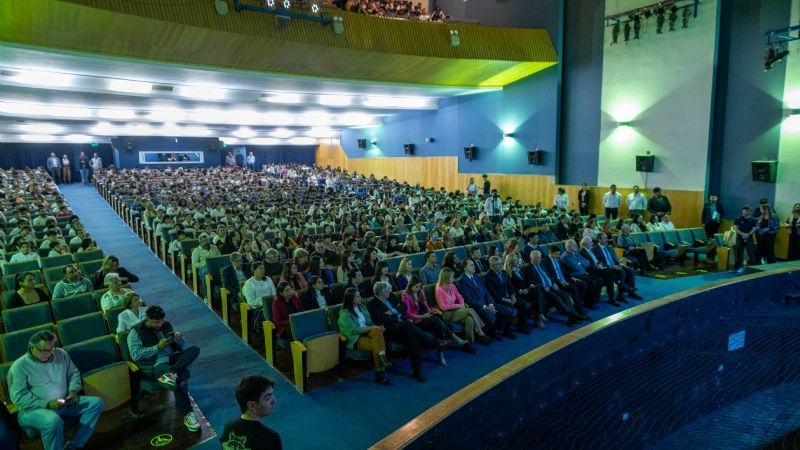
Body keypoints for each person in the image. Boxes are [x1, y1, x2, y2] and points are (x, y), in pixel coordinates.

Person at [9, 330, 104, 450]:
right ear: (32, 347)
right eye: (43, 350)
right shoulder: (19, 366)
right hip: (33, 409)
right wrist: (47, 404)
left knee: (96, 404)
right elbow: (18, 397)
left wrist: (73, 392)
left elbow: (73, 373)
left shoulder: (60, 353)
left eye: (51, 349)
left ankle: (74, 445)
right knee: (52, 422)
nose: (48, 354)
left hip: (63, 402)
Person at [128, 305, 201, 432]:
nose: (159, 324)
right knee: (180, 381)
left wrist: (178, 339)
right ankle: (188, 414)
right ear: (147, 319)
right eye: (156, 322)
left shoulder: (166, 325)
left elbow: (179, 346)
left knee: (194, 349)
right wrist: (157, 347)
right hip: (155, 363)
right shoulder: (135, 332)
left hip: (171, 358)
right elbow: (135, 355)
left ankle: (171, 372)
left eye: (161, 321)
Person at [368, 281, 441, 383]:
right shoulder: (373, 304)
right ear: (381, 293)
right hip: (388, 330)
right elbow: (383, 320)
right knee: (406, 324)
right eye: (387, 290)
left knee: (413, 342)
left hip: (400, 326)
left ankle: (417, 372)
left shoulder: (391, 296)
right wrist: (396, 313)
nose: (389, 291)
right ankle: (430, 341)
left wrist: (392, 311)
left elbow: (403, 306)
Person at [401, 276, 474, 358]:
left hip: (424, 317)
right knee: (436, 320)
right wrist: (423, 316)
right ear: (410, 286)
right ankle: (454, 339)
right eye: (416, 287)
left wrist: (429, 310)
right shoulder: (405, 295)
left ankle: (441, 353)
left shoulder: (421, 291)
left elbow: (425, 306)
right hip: (414, 321)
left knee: (437, 324)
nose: (418, 288)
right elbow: (407, 314)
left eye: (419, 286)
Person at [337, 288, 392, 385]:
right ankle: (380, 372)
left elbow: (370, 322)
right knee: (377, 343)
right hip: (355, 338)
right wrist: (375, 327)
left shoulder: (362, 307)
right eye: (357, 296)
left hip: (368, 332)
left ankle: (381, 367)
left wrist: (377, 326)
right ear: (350, 299)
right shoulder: (344, 314)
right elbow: (356, 330)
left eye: (359, 295)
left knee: (377, 332)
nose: (360, 298)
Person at [220, 375, 281, 450]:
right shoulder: (270, 438)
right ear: (252, 406)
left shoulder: (229, 426)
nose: (274, 401)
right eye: (268, 398)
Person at [435, 268, 491, 345]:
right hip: (448, 314)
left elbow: (460, 297)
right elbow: (443, 307)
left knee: (469, 320)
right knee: (470, 310)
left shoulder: (452, 285)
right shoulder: (439, 289)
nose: (453, 278)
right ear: (446, 277)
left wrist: (461, 304)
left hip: (457, 311)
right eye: (452, 277)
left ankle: (469, 343)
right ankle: (481, 332)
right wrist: (459, 305)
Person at [594, 234, 642, 300]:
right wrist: (611, 266)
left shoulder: (609, 247)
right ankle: (621, 294)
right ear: (599, 240)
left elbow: (615, 258)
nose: (607, 240)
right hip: (608, 268)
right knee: (622, 272)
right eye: (604, 238)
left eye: (606, 238)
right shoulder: (595, 249)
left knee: (630, 270)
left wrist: (619, 263)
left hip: (615, 265)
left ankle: (630, 290)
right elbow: (598, 263)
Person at [733, 205, 757, 273]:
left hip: (749, 238)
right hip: (740, 238)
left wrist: (748, 234)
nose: (746, 211)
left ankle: (753, 267)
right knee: (740, 253)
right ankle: (740, 267)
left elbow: (754, 228)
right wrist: (743, 234)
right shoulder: (738, 218)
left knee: (751, 253)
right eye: (745, 210)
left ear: (749, 211)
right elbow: (736, 228)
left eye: (747, 210)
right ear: (742, 211)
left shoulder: (753, 219)